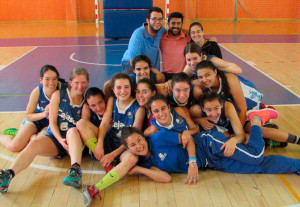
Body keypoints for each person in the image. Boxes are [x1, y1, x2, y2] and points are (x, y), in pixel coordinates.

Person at [0, 67, 89, 193]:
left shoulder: (85, 105)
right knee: (34, 143)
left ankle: (75, 172)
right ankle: (7, 175)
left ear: (88, 82)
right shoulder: (58, 94)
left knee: (72, 131)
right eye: (76, 82)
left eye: (83, 82)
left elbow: (83, 130)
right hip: (56, 139)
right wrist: (60, 139)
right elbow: (52, 122)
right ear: (70, 82)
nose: (80, 86)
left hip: (73, 143)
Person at [0, 65, 66, 152]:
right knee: (14, 147)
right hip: (37, 119)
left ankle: (24, 135)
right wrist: (44, 114)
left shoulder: (65, 90)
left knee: (37, 145)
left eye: (54, 79)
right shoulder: (37, 92)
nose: (51, 82)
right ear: (41, 80)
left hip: (53, 124)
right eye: (47, 79)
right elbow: (28, 115)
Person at [87, 73, 145, 170]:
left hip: (125, 146)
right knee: (81, 124)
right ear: (113, 89)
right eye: (118, 87)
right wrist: (100, 144)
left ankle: (110, 164)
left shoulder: (139, 108)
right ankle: (105, 162)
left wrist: (113, 155)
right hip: (110, 139)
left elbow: (133, 138)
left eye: (126, 87)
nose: (123, 91)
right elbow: (104, 123)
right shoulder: (112, 100)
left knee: (132, 158)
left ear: (131, 88)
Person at [121, 7, 165, 72]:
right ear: (147, 20)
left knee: (159, 78)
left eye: (160, 19)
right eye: (154, 19)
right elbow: (135, 61)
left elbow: (172, 33)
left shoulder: (161, 31)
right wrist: (153, 71)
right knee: (137, 79)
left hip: (149, 66)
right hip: (131, 63)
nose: (157, 22)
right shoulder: (138, 35)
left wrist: (185, 32)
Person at [160, 12, 191, 81]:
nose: (176, 26)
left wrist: (212, 40)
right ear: (168, 24)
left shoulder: (188, 37)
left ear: (182, 24)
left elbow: (200, 40)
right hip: (166, 75)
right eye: (173, 23)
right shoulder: (161, 38)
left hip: (183, 74)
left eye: (178, 23)